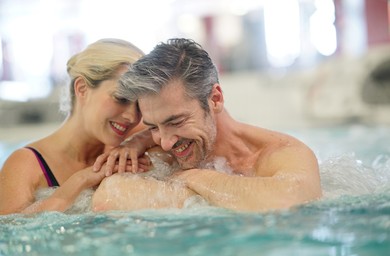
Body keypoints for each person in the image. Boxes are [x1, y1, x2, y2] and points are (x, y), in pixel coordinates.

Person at [92, 38, 322, 212]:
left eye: (176, 121)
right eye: (153, 127)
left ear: (215, 99)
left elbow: (290, 200)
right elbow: (108, 197)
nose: (165, 142)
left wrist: (193, 178)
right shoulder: (158, 153)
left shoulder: (281, 154)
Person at [0, 38, 150, 215]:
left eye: (139, 105)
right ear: (82, 89)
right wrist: (80, 180)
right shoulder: (25, 164)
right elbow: (11, 228)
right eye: (121, 99)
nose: (132, 116)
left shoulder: (129, 142)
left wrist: (139, 141)